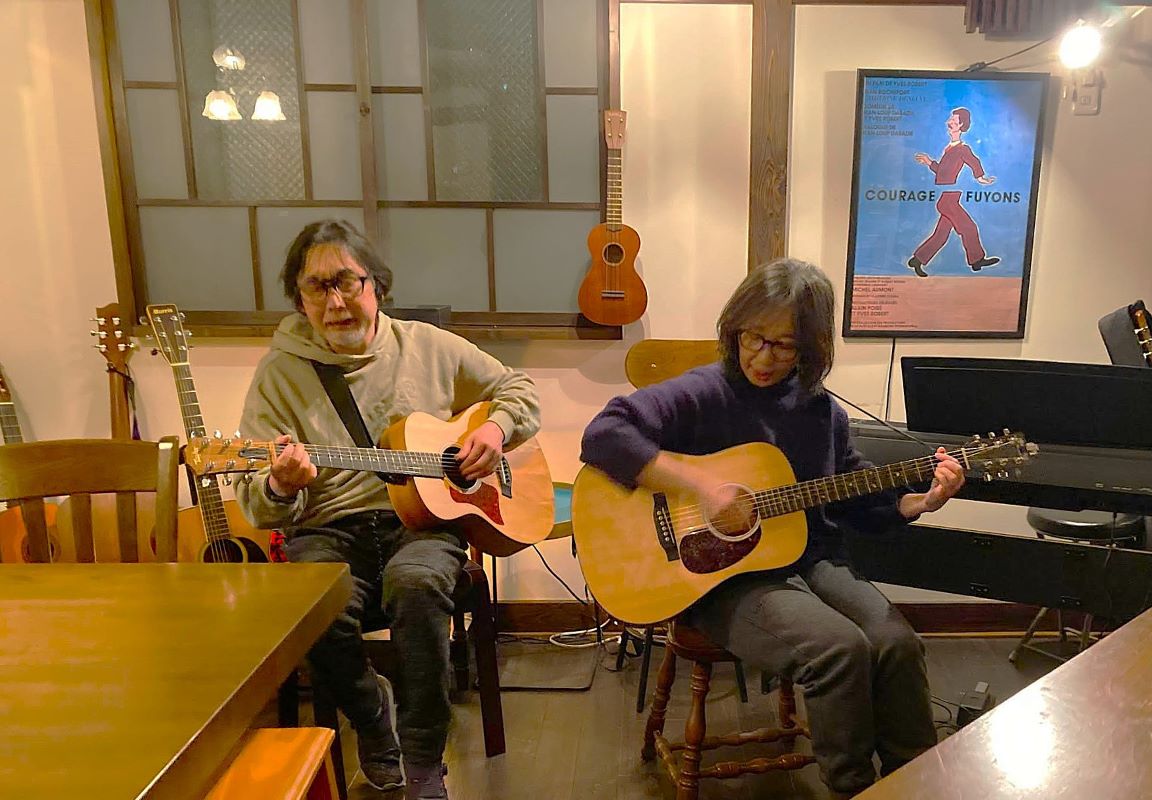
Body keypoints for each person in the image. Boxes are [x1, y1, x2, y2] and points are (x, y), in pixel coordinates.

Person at [579, 258, 965, 798]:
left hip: (809, 558)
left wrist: (917, 502)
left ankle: (914, 784)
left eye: (783, 346)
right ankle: (852, 788)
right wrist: (700, 486)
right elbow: (604, 434)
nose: (763, 357)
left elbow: (848, 492)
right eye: (753, 338)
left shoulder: (821, 411)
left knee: (896, 644)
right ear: (734, 329)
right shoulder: (704, 391)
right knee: (838, 650)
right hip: (718, 578)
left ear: (811, 348)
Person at [235, 219, 540, 799]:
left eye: (347, 282)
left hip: (421, 523)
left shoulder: (428, 346)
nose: (335, 302)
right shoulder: (279, 373)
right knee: (311, 603)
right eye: (317, 287)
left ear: (375, 284)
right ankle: (374, 718)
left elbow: (518, 388)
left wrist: (496, 429)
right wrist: (279, 484)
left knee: (418, 584)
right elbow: (257, 501)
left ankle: (424, 758)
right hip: (327, 528)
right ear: (299, 299)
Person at [908, 106, 1000, 277]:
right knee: (969, 227)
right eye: (950, 119)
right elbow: (943, 174)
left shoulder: (962, 149)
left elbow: (974, 161)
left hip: (950, 199)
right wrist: (930, 162)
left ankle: (917, 260)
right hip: (948, 200)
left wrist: (980, 177)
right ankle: (976, 260)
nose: (948, 122)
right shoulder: (949, 148)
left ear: (961, 125)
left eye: (953, 120)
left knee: (941, 235)